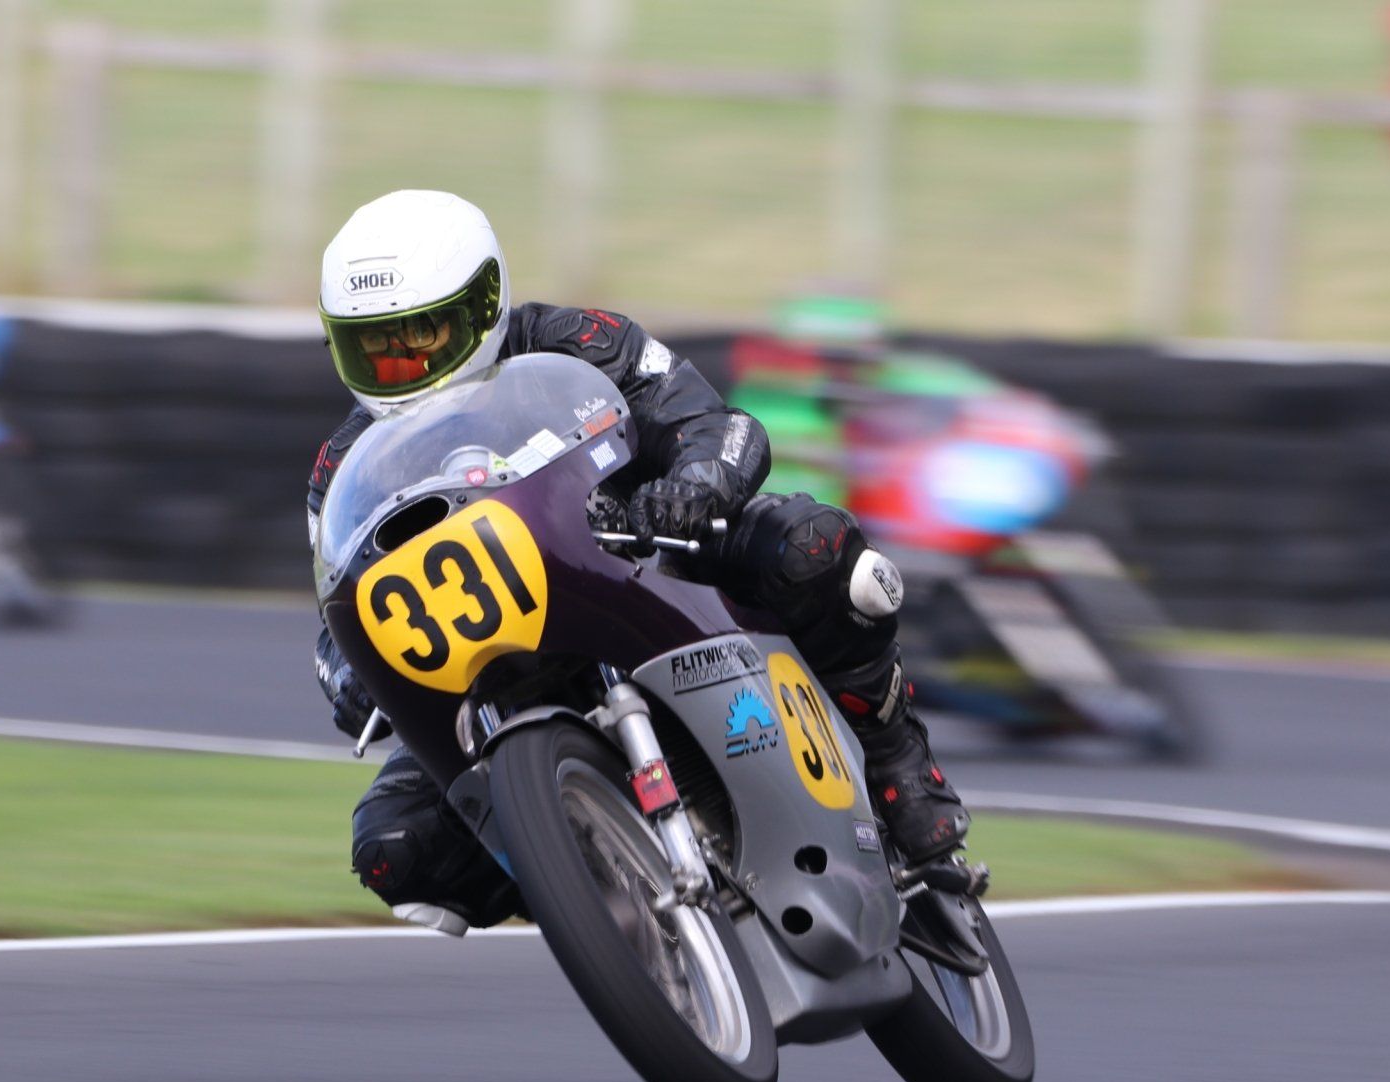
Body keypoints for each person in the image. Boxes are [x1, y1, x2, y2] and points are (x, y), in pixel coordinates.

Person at [310, 190, 971, 936]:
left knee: (819, 554)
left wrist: (694, 486)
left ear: (485, 302)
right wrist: (347, 676)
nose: (402, 365)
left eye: (422, 337)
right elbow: (339, 610)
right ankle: (593, 880)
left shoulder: (578, 339)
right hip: (495, 661)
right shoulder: (346, 465)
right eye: (375, 348)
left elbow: (714, 423)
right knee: (392, 847)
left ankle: (898, 764)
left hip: (648, 553)